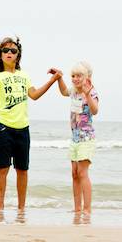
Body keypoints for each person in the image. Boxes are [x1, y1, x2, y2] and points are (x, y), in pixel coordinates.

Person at [0, 37, 62, 211]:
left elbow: (34, 95)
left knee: (22, 170)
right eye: (5, 50)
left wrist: (52, 80)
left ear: (18, 55)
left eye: (13, 50)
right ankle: (0, 208)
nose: (9, 53)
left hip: (22, 128)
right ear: (0, 55)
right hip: (3, 127)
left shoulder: (24, 75)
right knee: (3, 168)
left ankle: (21, 209)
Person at [56, 61, 98, 214]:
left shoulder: (91, 92)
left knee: (82, 173)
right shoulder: (73, 91)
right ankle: (77, 209)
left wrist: (87, 94)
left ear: (86, 77)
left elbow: (95, 111)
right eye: (73, 76)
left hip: (86, 138)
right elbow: (63, 92)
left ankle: (87, 209)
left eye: (79, 76)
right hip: (74, 138)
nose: (75, 79)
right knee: (74, 173)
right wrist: (59, 78)